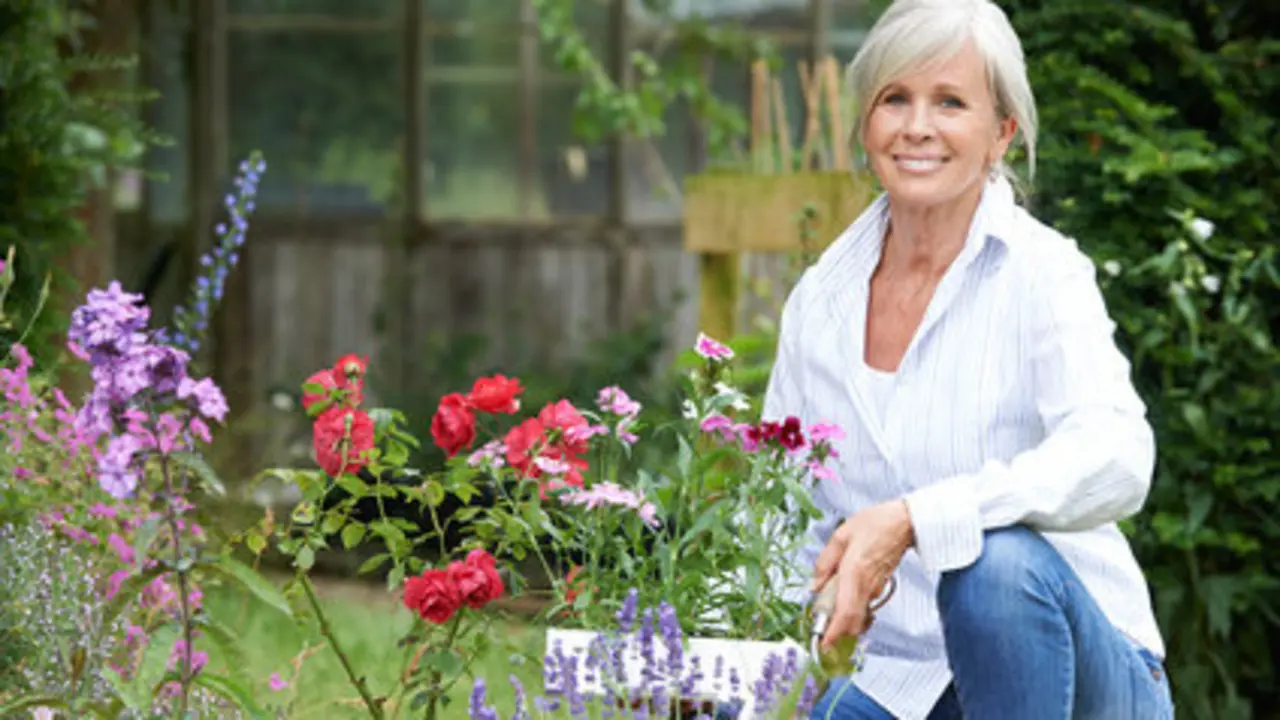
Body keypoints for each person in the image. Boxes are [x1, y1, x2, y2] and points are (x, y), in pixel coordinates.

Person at [760, 1, 1173, 717]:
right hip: (899, 680)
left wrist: (921, 517)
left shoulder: (1043, 275)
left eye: (950, 101)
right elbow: (775, 514)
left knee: (992, 563)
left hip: (1088, 677)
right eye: (895, 99)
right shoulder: (820, 302)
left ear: (1001, 134)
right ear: (867, 124)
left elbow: (1118, 457)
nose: (917, 126)